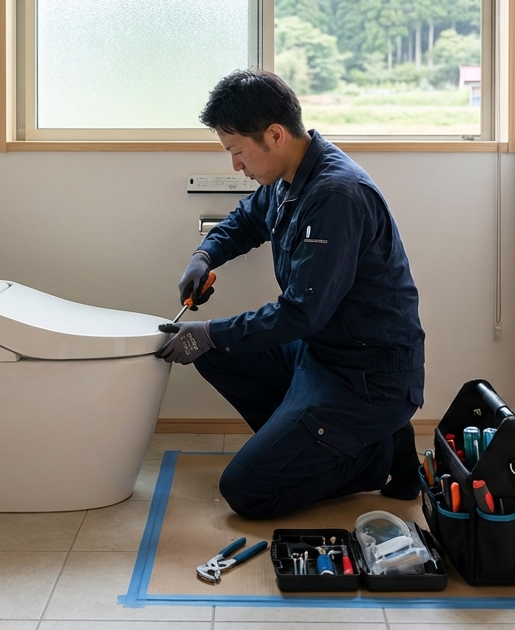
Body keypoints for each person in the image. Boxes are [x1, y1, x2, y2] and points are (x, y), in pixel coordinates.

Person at [156, 69, 426, 520]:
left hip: (366, 378)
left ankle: (367, 459)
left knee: (245, 492)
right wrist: (204, 257)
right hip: (324, 354)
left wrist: (210, 330)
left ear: (274, 135)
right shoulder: (289, 177)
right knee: (213, 351)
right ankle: (321, 441)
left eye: (237, 151)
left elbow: (300, 313)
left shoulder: (336, 195)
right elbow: (246, 220)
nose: (236, 165)